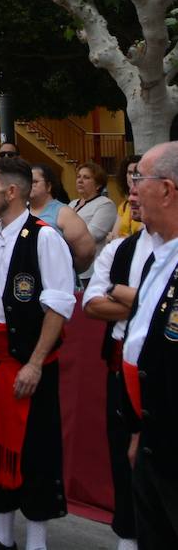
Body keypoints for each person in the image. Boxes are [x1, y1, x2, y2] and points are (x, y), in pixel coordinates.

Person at [0, 156, 74, 550]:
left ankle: (37, 542)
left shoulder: (45, 237)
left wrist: (35, 364)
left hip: (26, 362)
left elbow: (58, 305)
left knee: (35, 453)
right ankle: (2, 535)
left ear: (11, 192)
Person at [84, 174, 155, 550]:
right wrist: (140, 298)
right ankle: (126, 539)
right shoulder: (119, 250)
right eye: (131, 192)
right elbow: (93, 304)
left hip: (160, 370)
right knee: (120, 453)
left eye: (140, 189)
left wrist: (125, 294)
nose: (134, 198)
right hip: (120, 367)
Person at [120, 141, 178, 549]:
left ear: (169, 190)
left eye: (140, 179)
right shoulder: (160, 255)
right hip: (154, 438)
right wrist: (142, 428)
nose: (132, 189)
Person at [29, 163, 97, 272]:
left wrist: (66, 269)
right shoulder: (22, 211)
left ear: (49, 186)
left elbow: (86, 252)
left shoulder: (64, 213)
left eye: (35, 182)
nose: (29, 185)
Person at [73, 161, 119, 247]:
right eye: (78, 177)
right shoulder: (72, 203)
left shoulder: (106, 204)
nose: (80, 180)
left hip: (91, 258)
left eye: (86, 177)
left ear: (98, 184)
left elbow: (91, 235)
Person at [109, 156, 142, 240]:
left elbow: (142, 237)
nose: (132, 177)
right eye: (130, 172)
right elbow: (114, 235)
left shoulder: (150, 203)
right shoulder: (123, 206)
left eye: (136, 172)